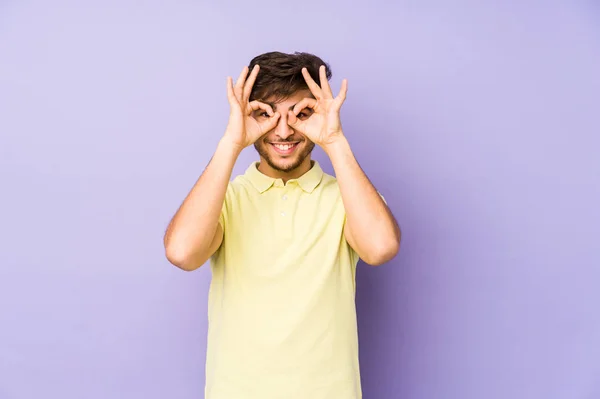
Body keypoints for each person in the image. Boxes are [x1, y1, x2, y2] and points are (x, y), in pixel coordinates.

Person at [163, 51, 401, 399]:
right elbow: (182, 253)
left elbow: (381, 248)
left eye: (302, 114)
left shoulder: (347, 198)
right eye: (267, 114)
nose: (285, 129)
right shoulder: (225, 199)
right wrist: (231, 141)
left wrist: (334, 141)